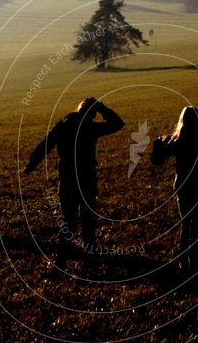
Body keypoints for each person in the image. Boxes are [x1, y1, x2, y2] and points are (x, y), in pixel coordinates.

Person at [24, 97, 124, 256]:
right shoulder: (90, 127)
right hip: (87, 176)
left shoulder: (64, 124)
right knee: (88, 218)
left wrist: (32, 163)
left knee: (68, 218)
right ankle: (89, 251)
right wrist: (103, 108)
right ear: (92, 114)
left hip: (67, 177)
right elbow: (118, 123)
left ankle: (63, 253)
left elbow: (47, 143)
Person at [151, 107, 198, 275]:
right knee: (197, 226)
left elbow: (156, 161)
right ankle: (194, 263)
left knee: (186, 223)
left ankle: (184, 263)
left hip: (184, 188)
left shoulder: (177, 141)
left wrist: (157, 145)